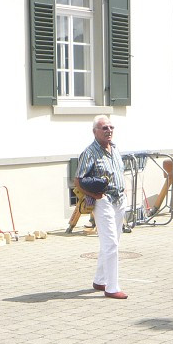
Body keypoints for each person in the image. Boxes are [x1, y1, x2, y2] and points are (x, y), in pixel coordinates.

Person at [75, 115, 127, 299]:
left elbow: (119, 171)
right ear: (95, 131)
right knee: (111, 243)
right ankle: (112, 287)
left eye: (111, 127)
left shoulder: (114, 149)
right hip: (102, 202)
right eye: (104, 128)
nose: (109, 131)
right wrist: (96, 195)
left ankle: (100, 279)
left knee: (111, 242)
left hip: (119, 200)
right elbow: (79, 180)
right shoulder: (89, 152)